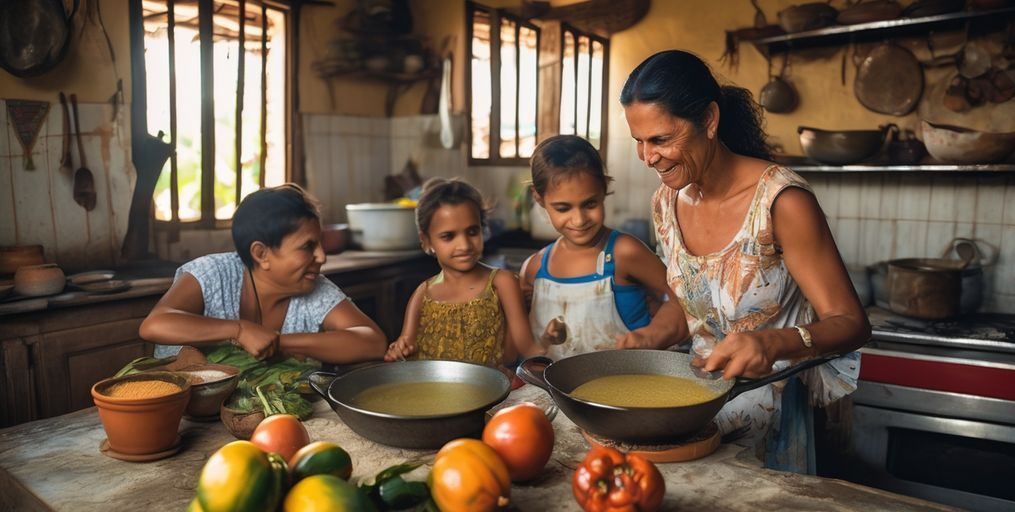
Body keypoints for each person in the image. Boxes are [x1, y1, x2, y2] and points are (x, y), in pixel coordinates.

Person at [620, 50, 870, 473]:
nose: (648, 157)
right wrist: (650, 336)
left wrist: (772, 343)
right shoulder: (665, 203)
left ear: (710, 120)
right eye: (638, 142)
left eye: (661, 139)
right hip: (695, 409)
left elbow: (851, 323)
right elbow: (694, 305)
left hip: (770, 418)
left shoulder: (780, 202)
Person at [140, 184, 387, 364]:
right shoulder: (211, 273)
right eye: (307, 246)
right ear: (261, 254)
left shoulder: (313, 288)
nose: (322, 257)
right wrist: (239, 330)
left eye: (320, 244)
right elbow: (155, 324)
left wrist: (278, 342)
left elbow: (372, 342)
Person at [519, 135, 687, 360]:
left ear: (604, 189)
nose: (579, 220)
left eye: (590, 204)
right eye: (562, 208)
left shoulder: (623, 253)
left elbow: (685, 302)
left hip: (624, 384)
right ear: (539, 199)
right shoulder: (534, 269)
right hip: (554, 392)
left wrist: (652, 335)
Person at [384, 178, 543, 367]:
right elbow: (406, 343)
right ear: (426, 241)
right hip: (431, 390)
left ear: (483, 230)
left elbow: (524, 347)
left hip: (492, 392)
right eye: (448, 236)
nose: (464, 245)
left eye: (472, 232)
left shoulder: (502, 282)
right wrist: (399, 349)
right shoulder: (423, 293)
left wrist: (547, 345)